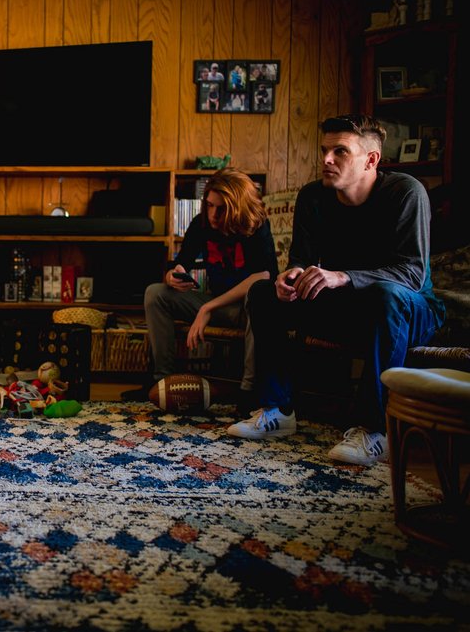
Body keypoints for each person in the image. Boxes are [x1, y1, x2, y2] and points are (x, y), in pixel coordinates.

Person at [227, 114, 445, 466]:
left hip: (408, 310)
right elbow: (300, 258)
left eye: (340, 151)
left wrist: (344, 276)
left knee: (385, 296)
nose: (326, 160)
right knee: (264, 293)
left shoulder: (406, 193)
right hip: (347, 309)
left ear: (371, 160)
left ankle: (376, 431)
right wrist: (290, 278)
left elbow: (412, 273)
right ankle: (278, 410)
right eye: (325, 150)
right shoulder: (313, 196)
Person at [142, 168, 277, 404]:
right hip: (217, 305)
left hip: (249, 311)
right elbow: (181, 263)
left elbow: (263, 276)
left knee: (258, 296)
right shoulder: (202, 223)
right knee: (156, 293)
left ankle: (249, 393)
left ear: (237, 206)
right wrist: (173, 275)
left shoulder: (257, 226)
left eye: (221, 208)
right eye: (209, 205)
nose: (213, 214)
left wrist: (208, 308)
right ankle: (164, 383)